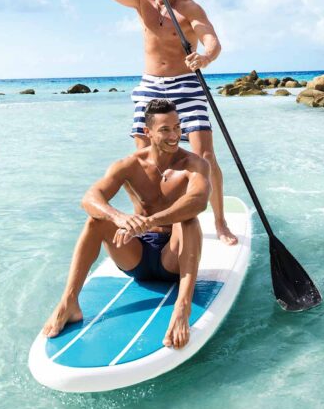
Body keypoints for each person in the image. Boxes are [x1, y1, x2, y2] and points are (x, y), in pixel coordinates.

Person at [97, 0, 237, 246]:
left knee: (205, 155)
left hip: (186, 83)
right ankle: (147, 222)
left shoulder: (189, 7)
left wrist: (206, 57)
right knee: (142, 159)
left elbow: (212, 39)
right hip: (150, 85)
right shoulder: (141, 0)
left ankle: (220, 221)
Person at [42, 99, 210, 350]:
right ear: (147, 132)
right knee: (95, 220)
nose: (175, 135)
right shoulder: (129, 165)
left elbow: (198, 201)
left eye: (177, 127)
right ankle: (69, 302)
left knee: (188, 220)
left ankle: (182, 307)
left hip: (174, 257)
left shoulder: (194, 164)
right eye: (165, 129)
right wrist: (118, 217)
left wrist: (151, 220)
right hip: (137, 256)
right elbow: (90, 198)